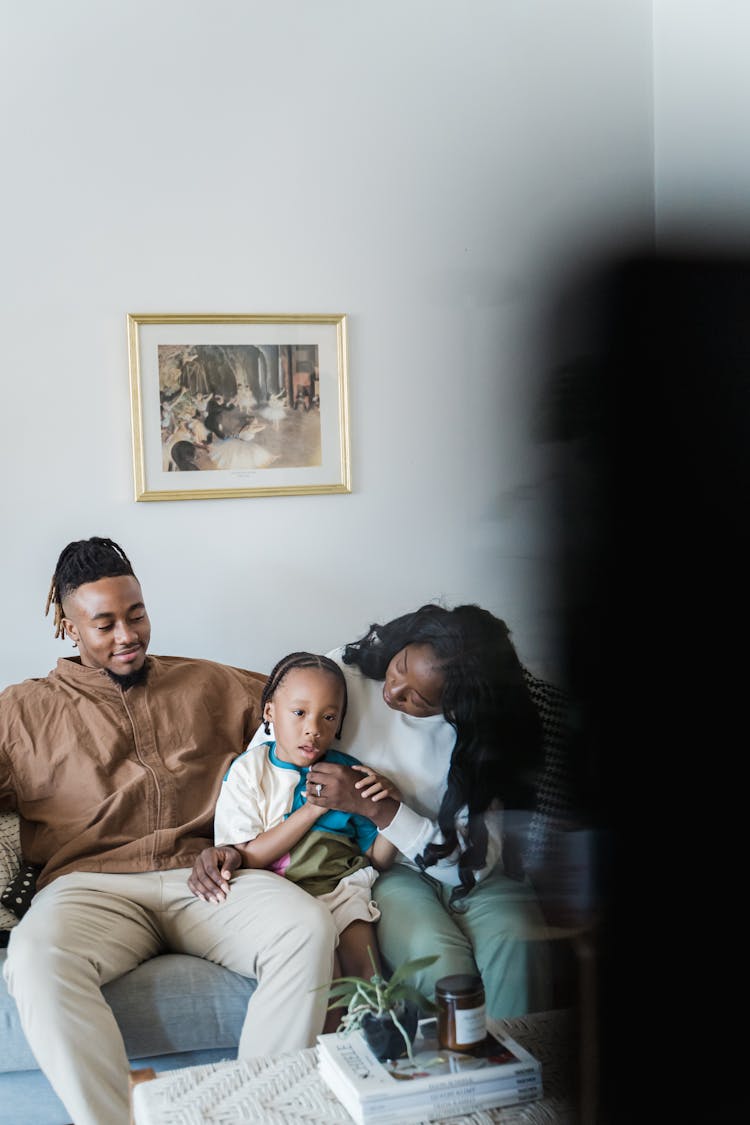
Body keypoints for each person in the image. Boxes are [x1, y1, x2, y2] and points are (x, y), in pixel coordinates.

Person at [0, 537, 336, 1125]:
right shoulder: (21, 712)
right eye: (103, 624)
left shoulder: (207, 683)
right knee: (32, 957)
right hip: (89, 890)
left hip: (207, 876)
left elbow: (305, 696)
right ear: (67, 625)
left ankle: (261, 1115)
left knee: (304, 926)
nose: (127, 635)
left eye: (136, 615)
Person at [191, 603, 552, 1020]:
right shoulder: (344, 673)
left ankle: (518, 1076)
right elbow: (270, 762)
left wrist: (382, 810)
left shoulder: (485, 735)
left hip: (471, 872)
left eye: (417, 697)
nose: (392, 691)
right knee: (437, 960)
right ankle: (440, 1072)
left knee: (518, 944)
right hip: (398, 875)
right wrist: (233, 851)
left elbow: (473, 864)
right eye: (399, 667)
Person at [204, 651, 397, 1027]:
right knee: (325, 984)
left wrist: (389, 811)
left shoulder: (349, 774)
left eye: (328, 717)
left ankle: (377, 1056)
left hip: (342, 888)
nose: (314, 729)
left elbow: (377, 857)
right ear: (269, 713)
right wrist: (313, 809)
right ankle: (326, 1063)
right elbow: (248, 857)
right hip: (282, 895)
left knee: (369, 979)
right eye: (299, 713)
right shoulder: (249, 772)